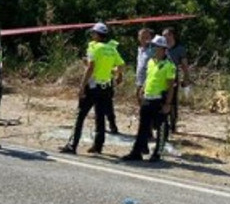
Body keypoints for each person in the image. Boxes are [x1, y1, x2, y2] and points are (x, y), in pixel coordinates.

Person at [61, 22, 124, 155]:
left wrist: (82, 86)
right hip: (106, 87)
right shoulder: (111, 48)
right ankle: (98, 145)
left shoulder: (93, 47)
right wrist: (117, 75)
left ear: (96, 34)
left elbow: (90, 67)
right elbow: (121, 65)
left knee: (80, 115)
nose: (92, 35)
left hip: (93, 87)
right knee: (100, 116)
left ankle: (72, 145)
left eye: (93, 33)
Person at [122, 35, 175, 162]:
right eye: (152, 46)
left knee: (161, 127)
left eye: (154, 46)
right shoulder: (151, 62)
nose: (152, 49)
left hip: (159, 100)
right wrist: (142, 89)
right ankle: (137, 152)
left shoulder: (169, 65)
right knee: (143, 127)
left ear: (162, 49)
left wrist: (168, 103)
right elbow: (149, 78)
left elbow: (171, 86)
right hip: (148, 98)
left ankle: (158, 152)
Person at [162, 27, 189, 134]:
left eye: (166, 35)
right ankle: (163, 123)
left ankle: (173, 124)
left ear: (172, 35)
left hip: (173, 78)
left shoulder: (180, 49)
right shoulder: (162, 48)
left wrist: (186, 78)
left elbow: (184, 65)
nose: (164, 37)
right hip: (161, 77)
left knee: (172, 101)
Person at [134, 28, 154, 105]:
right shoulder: (139, 49)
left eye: (147, 37)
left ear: (150, 38)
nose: (144, 39)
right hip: (139, 79)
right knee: (138, 97)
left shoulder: (153, 49)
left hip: (148, 80)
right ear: (139, 38)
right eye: (142, 37)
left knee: (146, 100)